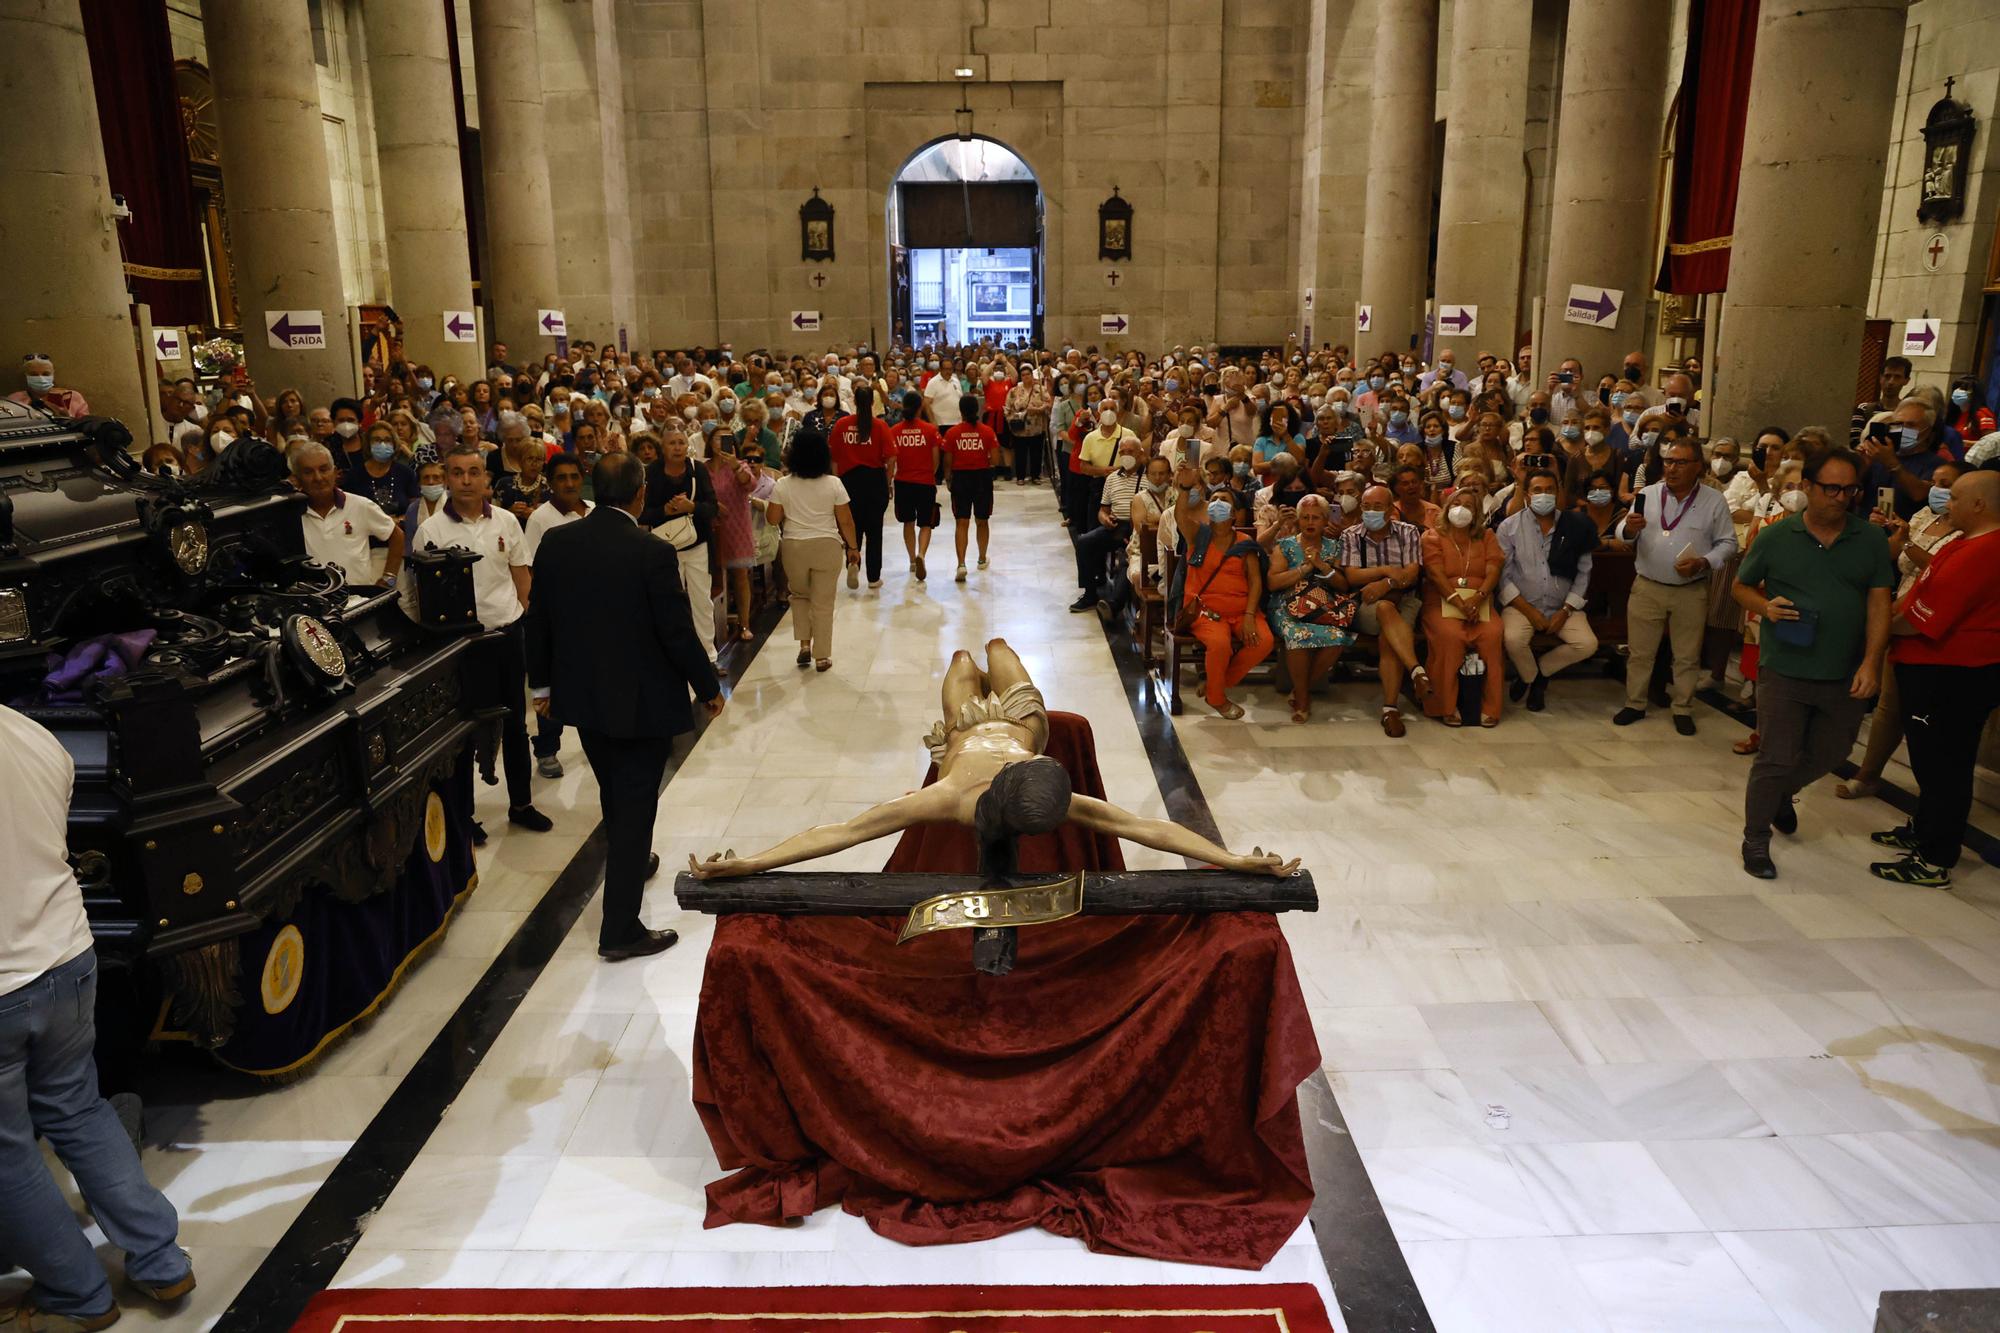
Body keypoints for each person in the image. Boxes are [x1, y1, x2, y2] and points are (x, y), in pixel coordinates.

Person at [690, 640, 1295, 878]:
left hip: (963, 729)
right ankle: (990, 662)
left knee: (964, 660)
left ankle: (977, 668)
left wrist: (751, 864)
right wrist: (1237, 858)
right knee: (992, 649)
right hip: (1019, 722)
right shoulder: (970, 789)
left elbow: (1146, 827)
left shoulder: (960, 795)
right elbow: (844, 832)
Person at [0, 707, 197, 1331]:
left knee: (8, 1154)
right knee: (78, 1108)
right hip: (66, 955)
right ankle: (161, 1262)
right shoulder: (26, 731)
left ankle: (76, 1294)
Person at [526, 455, 723, 960]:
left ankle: (633, 861)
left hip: (584, 697)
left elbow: (540, 621)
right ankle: (620, 930)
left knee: (616, 790)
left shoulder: (557, 542)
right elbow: (675, 632)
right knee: (636, 805)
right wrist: (708, 688)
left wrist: (542, 688)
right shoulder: (650, 550)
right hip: (641, 700)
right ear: (639, 494)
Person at [1730, 446, 1894, 879]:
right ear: (1808, 487)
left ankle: (1782, 795)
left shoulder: (1871, 540)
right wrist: (1765, 608)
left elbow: (1880, 605)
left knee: (1833, 751)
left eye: (1849, 489)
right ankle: (1756, 838)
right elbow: (1741, 587)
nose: (1840, 497)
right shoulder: (1776, 536)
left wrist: (1872, 662)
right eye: (1830, 488)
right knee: (1776, 756)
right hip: (1784, 665)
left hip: (1843, 669)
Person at [1870, 468, 2000, 888]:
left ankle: (1935, 856)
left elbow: (1924, 619)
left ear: (1979, 504)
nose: (1946, 501)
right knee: (1930, 761)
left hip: (1952, 674)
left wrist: (1875, 627)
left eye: (1955, 496)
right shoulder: (1963, 542)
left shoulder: (1984, 551)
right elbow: (1920, 591)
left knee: (1945, 764)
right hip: (1933, 667)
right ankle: (1925, 830)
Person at [413, 443, 550, 833]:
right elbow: (423, 594)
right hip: (461, 646)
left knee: (516, 726)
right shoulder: (431, 530)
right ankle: (465, 816)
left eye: (474, 472)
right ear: (447, 477)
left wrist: (519, 617)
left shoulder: (506, 521)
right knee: (464, 731)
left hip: (506, 635)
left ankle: (521, 804)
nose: (466, 480)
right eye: (457, 473)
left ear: (486, 478)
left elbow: (523, 578)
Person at [1837, 459, 1964, 800]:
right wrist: (1894, 536)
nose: (1938, 490)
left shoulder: (1966, 530)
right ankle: (1868, 772)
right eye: (1934, 481)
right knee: (1886, 703)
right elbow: (1894, 557)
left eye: (1947, 484)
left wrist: (1908, 543)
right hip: (1898, 608)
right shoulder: (1925, 516)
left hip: (1928, 621)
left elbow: (1941, 572)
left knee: (1902, 705)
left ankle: (1921, 793)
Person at [1613, 437, 1738, 734]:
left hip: (1691, 590)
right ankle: (1635, 703)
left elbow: (1729, 543)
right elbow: (1622, 533)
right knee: (1640, 652)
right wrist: (1629, 529)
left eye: (1681, 462)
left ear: (1698, 467)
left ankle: (1682, 707)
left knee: (1687, 655)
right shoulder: (1649, 494)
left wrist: (1704, 562)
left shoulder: (1713, 500)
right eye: (1669, 461)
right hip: (1647, 586)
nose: (1672, 468)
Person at [1497, 468, 1599, 712]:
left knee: (1587, 644)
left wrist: (1565, 611)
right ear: (1528, 494)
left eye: (1550, 490)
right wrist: (1529, 611)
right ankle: (1531, 678)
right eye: (1538, 490)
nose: (1544, 495)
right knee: (1512, 639)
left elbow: (1584, 573)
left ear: (1558, 492)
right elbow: (1503, 576)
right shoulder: (1509, 527)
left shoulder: (1576, 525)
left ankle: (1540, 673)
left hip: (1563, 605)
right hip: (1521, 605)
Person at [1170, 472, 1270, 719]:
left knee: (1264, 641)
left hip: (1241, 610)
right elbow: (1180, 515)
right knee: (1219, 644)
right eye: (1214, 499)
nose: (1217, 503)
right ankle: (1217, 698)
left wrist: (1249, 615)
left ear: (1234, 513)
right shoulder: (1198, 534)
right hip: (1205, 610)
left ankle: (1218, 683)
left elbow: (1256, 581)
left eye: (1224, 500)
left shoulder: (1244, 542)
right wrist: (1184, 487)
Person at [521, 454, 593, 780]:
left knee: (593, 679)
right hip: (557, 612)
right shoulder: (541, 518)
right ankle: (547, 748)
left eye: (574, 477)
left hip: (592, 610)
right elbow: (532, 568)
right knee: (551, 683)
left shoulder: (593, 511)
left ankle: (597, 739)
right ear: (551, 481)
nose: (568, 483)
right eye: (561, 477)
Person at [769, 429, 860, 672]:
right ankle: (822, 656)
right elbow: (846, 521)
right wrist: (853, 547)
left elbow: (772, 518)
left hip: (794, 546)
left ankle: (804, 646)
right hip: (827, 546)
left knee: (799, 596)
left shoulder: (782, 484)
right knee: (822, 602)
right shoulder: (834, 484)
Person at [1421, 471, 1506, 727]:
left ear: (1477, 512)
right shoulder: (1432, 537)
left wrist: (1479, 598)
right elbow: (1435, 574)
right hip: (1442, 603)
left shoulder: (1487, 536)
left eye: (1468, 506)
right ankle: (1445, 705)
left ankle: (1490, 707)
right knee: (1451, 638)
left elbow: (1494, 569)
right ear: (1447, 508)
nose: (1461, 510)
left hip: (1480, 604)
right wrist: (1459, 601)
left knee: (1492, 635)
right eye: (1456, 504)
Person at [1263, 493, 1355, 723]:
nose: (1310, 523)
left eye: (1315, 518)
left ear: (1325, 521)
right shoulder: (1285, 546)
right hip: (1286, 606)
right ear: (1298, 520)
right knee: (1296, 634)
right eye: (1305, 518)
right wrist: (1304, 569)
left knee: (1337, 637)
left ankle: (1300, 690)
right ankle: (1303, 699)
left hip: (1324, 607)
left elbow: (1344, 585)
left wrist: (1322, 566)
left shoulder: (1335, 547)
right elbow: (1273, 583)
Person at [642, 431, 721, 676]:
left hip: (697, 543)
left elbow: (713, 508)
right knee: (668, 603)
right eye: (671, 443)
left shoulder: (697, 470)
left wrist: (692, 507)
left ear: (688, 445)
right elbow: (641, 513)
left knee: (701, 601)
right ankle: (672, 657)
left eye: (681, 442)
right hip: (664, 548)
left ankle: (708, 656)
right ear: (662, 448)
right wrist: (664, 511)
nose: (677, 447)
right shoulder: (651, 473)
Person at [293, 441, 404, 591]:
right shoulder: (290, 516)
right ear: (297, 478)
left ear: (335, 472)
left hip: (358, 601)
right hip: (315, 603)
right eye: (308, 472)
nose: (318, 478)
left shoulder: (360, 505)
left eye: (324, 469)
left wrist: (389, 578)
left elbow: (397, 536)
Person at [830, 386, 895, 589]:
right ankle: (874, 577)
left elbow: (834, 458)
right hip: (874, 480)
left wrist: (836, 482)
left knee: (850, 525)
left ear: (855, 402)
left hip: (849, 481)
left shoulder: (842, 425)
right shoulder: (880, 426)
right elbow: (891, 457)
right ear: (872, 402)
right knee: (875, 531)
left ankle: (852, 561)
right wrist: (888, 480)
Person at [1073, 436, 1145, 614]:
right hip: (1116, 525)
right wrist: (1104, 518)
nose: (1126, 455)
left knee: (1128, 557)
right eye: (1123, 452)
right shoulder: (1112, 478)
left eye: (1131, 452)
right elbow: (1103, 509)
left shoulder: (1149, 476)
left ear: (1140, 454)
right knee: (1084, 542)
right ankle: (1090, 593)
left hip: (1139, 528)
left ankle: (1114, 604)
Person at [705, 436, 758, 641]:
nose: (721, 443)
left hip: (736, 524)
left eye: (726, 438)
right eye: (718, 438)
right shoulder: (703, 467)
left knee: (740, 575)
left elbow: (750, 484)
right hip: (712, 525)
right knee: (712, 576)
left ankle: (744, 623)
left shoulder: (740, 466)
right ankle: (712, 623)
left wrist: (736, 465)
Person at [890, 394, 946, 582]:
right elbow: (936, 458)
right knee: (926, 523)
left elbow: (892, 458)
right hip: (925, 482)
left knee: (908, 522)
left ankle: (912, 560)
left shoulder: (895, 430)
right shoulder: (930, 430)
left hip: (903, 481)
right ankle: (922, 553)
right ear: (920, 407)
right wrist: (931, 473)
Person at [944, 393, 998, 579]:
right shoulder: (987, 432)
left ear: (960, 411)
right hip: (982, 478)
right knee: (982, 520)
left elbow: (948, 461)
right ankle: (982, 559)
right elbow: (996, 459)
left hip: (961, 479)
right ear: (978, 409)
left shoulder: (952, 433)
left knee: (962, 521)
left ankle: (961, 564)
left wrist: (948, 479)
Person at [1850, 355, 1910, 447]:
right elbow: (1854, 442)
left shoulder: (1909, 413)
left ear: (1906, 381)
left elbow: (1909, 445)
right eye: (1887, 376)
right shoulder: (1864, 409)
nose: (1891, 382)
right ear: (1880, 378)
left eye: (1897, 377)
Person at [8, 354, 89, 418]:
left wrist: (67, 419)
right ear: (26, 375)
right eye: (34, 374)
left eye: (46, 374)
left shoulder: (72, 397)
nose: (41, 378)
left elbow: (86, 425)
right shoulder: (14, 399)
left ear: (53, 374)